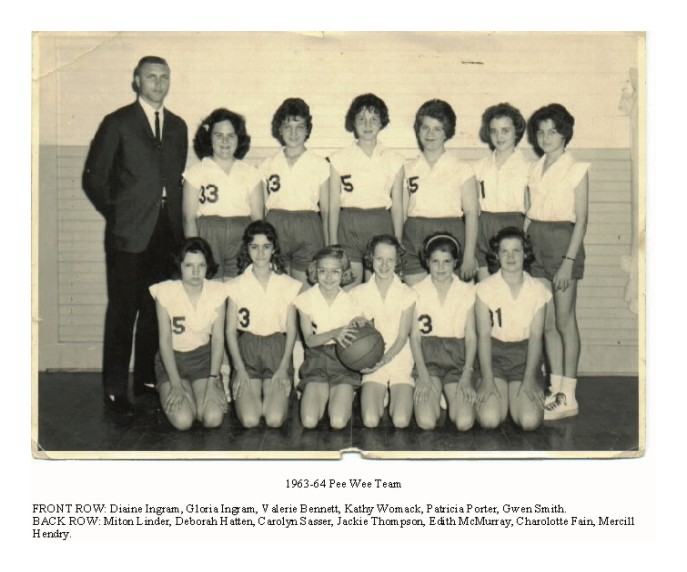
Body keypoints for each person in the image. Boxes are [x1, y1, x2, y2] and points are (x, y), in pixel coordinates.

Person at [83, 56, 188, 415]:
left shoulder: (178, 126)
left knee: (155, 308)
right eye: (151, 77)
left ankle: (145, 377)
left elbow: (174, 178)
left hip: (167, 232)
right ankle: (115, 389)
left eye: (164, 77)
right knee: (123, 311)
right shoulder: (117, 122)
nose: (158, 83)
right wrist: (119, 214)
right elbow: (94, 179)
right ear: (137, 81)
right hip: (128, 234)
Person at [525, 104, 590, 420]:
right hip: (536, 245)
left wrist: (568, 261)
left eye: (552, 131)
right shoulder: (534, 168)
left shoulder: (577, 168)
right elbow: (529, 213)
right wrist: (521, 248)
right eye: (541, 131)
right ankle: (555, 390)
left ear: (564, 134)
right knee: (547, 322)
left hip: (563, 244)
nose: (546, 137)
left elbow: (582, 220)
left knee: (565, 321)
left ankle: (569, 395)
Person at [225, 221, 303, 428]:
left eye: (266, 246)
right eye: (254, 247)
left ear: (274, 248)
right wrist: (239, 369)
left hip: (277, 350)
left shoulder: (287, 284)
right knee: (250, 420)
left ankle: (279, 394)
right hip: (247, 350)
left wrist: (284, 367)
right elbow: (230, 331)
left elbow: (292, 329)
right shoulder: (235, 285)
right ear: (247, 248)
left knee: (274, 419)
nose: (260, 253)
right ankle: (255, 392)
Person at [474, 227, 551, 431]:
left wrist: (529, 379)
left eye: (516, 250)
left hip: (524, 360)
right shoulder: (484, 288)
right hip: (494, 359)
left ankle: (513, 399)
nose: (510, 257)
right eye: (504, 251)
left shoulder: (538, 290)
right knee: (489, 420)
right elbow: (483, 336)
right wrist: (487, 379)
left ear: (525, 253)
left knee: (529, 422)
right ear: (496, 255)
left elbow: (536, 337)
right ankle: (501, 398)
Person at [149, 238, 228, 430]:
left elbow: (218, 339)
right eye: (189, 265)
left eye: (201, 265)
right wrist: (175, 384)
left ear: (208, 266)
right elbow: (164, 340)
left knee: (212, 418)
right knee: (183, 421)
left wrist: (213, 380)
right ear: (179, 265)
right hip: (172, 362)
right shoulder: (165, 291)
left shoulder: (217, 291)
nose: (195, 272)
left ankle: (198, 393)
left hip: (203, 360)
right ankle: (170, 389)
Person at [328, 94, 405, 286]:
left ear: (382, 123)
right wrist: (333, 242)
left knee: (377, 288)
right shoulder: (338, 158)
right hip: (349, 225)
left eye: (374, 119)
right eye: (361, 119)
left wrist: (397, 241)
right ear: (353, 123)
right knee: (349, 286)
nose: (368, 125)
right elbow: (333, 205)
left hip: (380, 224)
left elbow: (397, 206)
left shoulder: (394, 159)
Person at [402, 99, 479, 286]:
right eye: (425, 128)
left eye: (437, 129)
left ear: (446, 133)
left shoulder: (462, 169)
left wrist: (469, 255)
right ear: (418, 130)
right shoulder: (407, 169)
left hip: (451, 234)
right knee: (417, 295)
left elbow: (471, 214)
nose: (430, 134)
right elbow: (402, 213)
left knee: (454, 297)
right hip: (414, 235)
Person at [182, 108, 263, 280]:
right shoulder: (195, 172)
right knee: (211, 287)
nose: (225, 141)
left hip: (242, 235)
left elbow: (258, 219)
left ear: (239, 139)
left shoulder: (251, 172)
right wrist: (195, 251)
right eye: (218, 135)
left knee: (239, 286)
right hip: (208, 235)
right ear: (209, 138)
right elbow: (189, 218)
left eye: (231, 135)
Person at [410, 233, 478, 431]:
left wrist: (466, 375)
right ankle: (437, 391)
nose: (441, 268)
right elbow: (414, 337)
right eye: (435, 262)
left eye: (446, 262)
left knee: (464, 422)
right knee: (426, 422)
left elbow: (471, 336)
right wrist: (423, 375)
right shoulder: (416, 291)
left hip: (457, 360)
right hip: (428, 360)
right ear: (427, 262)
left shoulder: (467, 291)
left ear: (455, 262)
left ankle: (448, 393)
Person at [294, 246, 366, 429]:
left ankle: (346, 393)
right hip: (316, 362)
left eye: (335, 271)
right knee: (309, 421)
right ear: (314, 271)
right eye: (322, 271)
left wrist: (362, 326)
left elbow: (362, 339)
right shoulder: (305, 299)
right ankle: (320, 391)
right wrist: (334, 333)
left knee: (338, 422)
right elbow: (309, 341)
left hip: (343, 363)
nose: (328, 277)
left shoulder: (353, 302)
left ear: (344, 273)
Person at [260, 98, 331, 284]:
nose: (293, 133)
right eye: (288, 127)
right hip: (275, 225)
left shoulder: (320, 164)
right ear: (280, 129)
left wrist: (328, 245)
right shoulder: (267, 165)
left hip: (308, 227)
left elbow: (326, 211)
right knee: (278, 288)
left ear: (307, 130)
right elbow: (262, 209)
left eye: (299, 127)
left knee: (305, 290)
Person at [350, 235, 416, 428]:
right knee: (370, 421)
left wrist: (382, 361)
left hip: (399, 359)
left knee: (401, 421)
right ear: (371, 258)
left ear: (397, 261)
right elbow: (353, 337)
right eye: (379, 259)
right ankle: (380, 395)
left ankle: (394, 394)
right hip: (371, 362)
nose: (384, 265)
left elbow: (402, 338)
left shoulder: (408, 293)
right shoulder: (357, 293)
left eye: (390, 260)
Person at [473, 103, 530, 281]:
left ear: (516, 131)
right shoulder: (479, 167)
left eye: (505, 131)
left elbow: (530, 209)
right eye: (494, 131)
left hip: (514, 229)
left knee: (511, 287)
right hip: (484, 228)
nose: (499, 137)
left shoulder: (527, 168)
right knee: (485, 287)